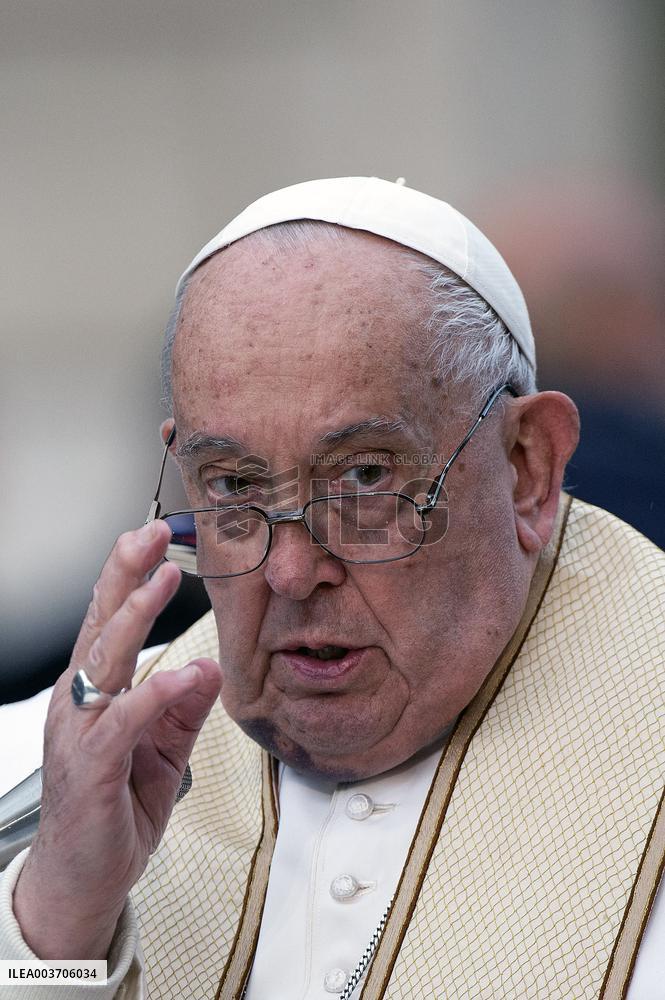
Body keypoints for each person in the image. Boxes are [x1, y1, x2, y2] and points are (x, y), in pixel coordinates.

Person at [1, 177, 663, 999]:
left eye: (363, 477)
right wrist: (60, 925)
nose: (288, 571)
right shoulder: (38, 783)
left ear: (527, 467)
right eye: (234, 485)